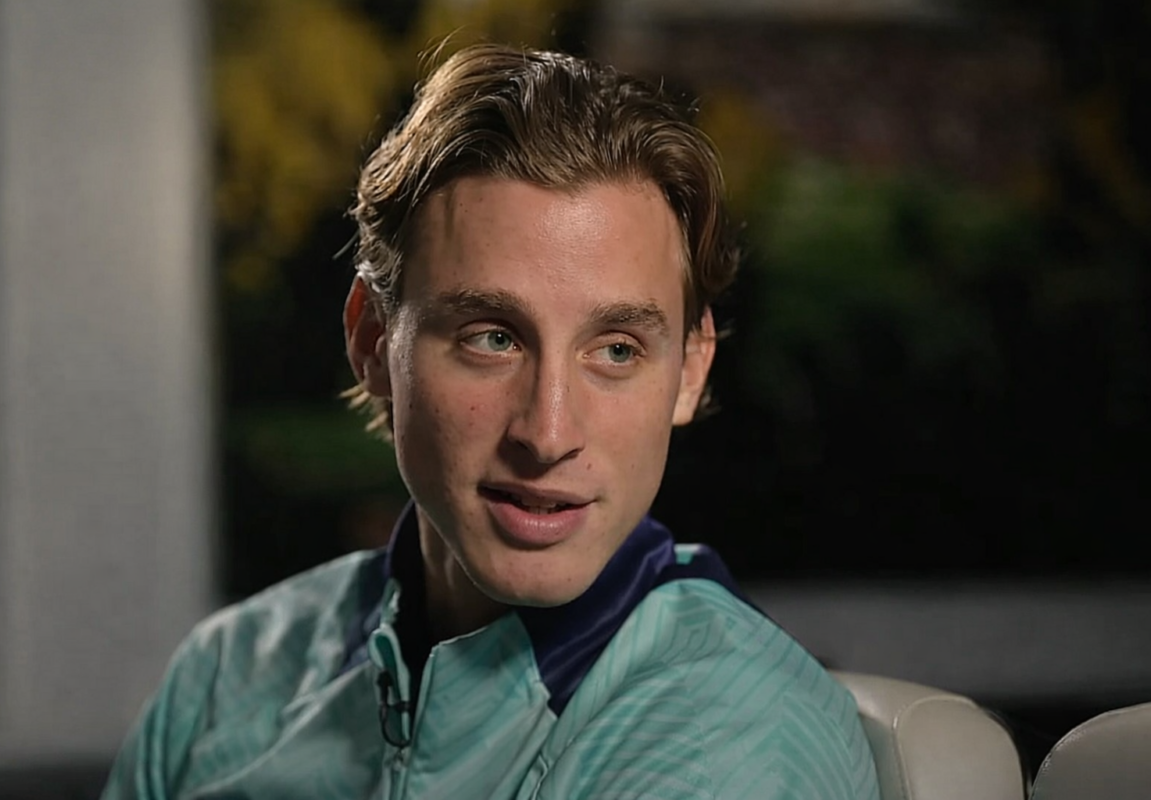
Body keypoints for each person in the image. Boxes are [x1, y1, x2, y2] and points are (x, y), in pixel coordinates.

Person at [102, 43, 880, 799]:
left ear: (691, 369)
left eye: (616, 349)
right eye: (493, 338)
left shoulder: (732, 739)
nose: (548, 435)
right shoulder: (225, 677)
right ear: (372, 341)